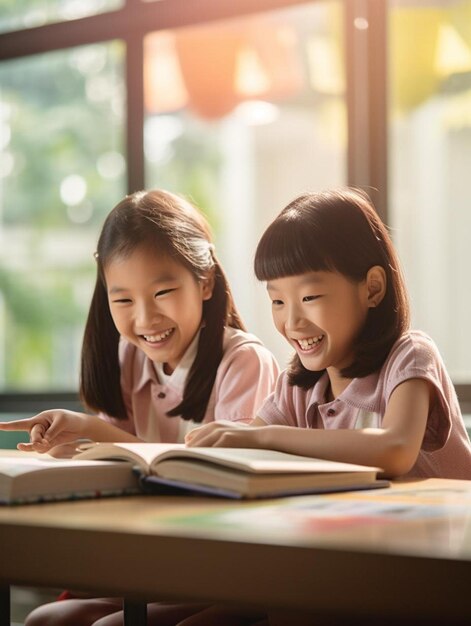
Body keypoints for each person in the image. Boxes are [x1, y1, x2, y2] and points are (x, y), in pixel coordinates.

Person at [177, 187, 471, 626]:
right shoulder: (298, 383)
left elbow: (395, 450)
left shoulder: (409, 356)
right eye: (277, 301)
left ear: (371, 288)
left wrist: (262, 435)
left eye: (309, 297)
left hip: (432, 573)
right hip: (344, 562)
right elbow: (248, 453)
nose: (291, 322)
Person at [0, 188, 279, 626]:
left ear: (204, 281)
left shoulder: (243, 361)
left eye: (163, 291)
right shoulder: (130, 356)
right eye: (123, 300)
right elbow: (117, 465)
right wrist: (72, 437)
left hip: (224, 566)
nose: (145, 319)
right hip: (153, 558)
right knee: (44, 620)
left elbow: (224, 484)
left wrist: (96, 431)